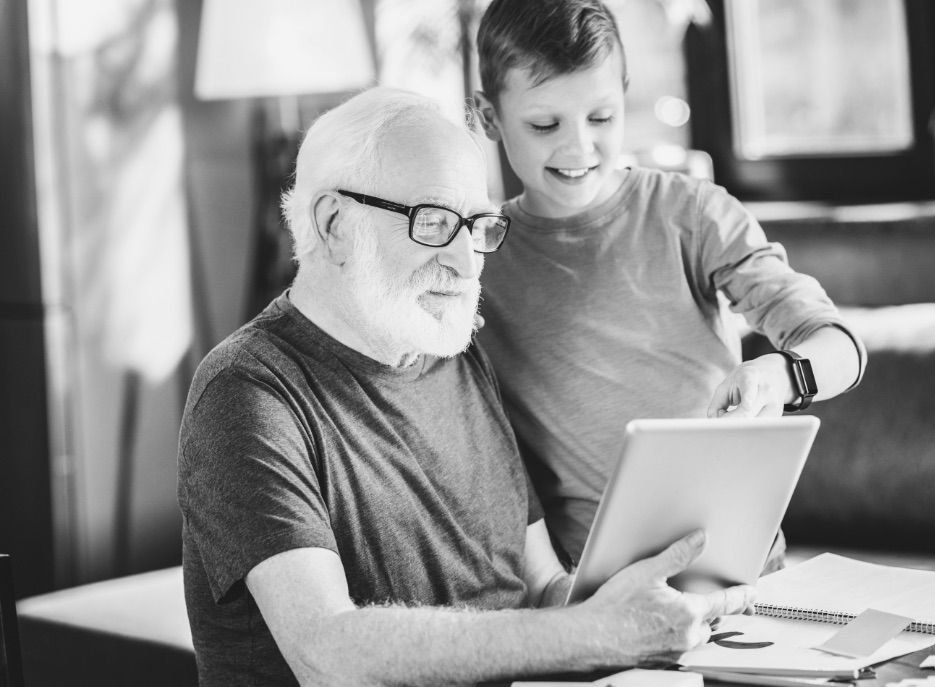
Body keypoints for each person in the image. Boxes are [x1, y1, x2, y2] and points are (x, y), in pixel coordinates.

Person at [177, 87, 754, 687]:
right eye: (433, 222)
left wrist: (640, 621)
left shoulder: (453, 353)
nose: (467, 260)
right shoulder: (247, 391)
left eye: (477, 225)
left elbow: (539, 582)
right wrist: (593, 633)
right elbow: (327, 651)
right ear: (333, 224)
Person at [473, 0, 867, 565]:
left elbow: (842, 348)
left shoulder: (694, 214)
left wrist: (778, 375)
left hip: (738, 564)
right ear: (490, 118)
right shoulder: (480, 254)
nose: (578, 147)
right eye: (544, 124)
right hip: (589, 591)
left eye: (602, 117)